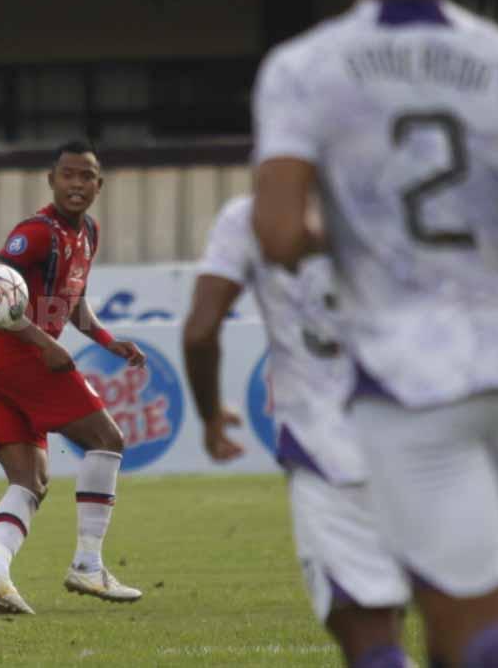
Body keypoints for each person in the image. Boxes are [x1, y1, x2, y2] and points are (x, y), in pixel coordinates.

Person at [252, 0, 498, 665]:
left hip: (409, 382)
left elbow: (280, 235)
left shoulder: (305, 67)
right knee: (456, 632)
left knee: (479, 634)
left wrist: (361, 229)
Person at [182, 195, 410, 666]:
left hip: (332, 449)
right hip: (434, 436)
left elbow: (199, 332)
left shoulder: (252, 215)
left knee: (369, 638)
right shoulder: (398, 195)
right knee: (464, 629)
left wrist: (209, 418)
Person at [0, 141, 145, 614]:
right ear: (51, 180)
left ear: (99, 185)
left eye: (86, 176)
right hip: (19, 355)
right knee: (107, 439)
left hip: (1, 367)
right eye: (68, 175)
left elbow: (72, 303)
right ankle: (88, 564)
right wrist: (45, 343)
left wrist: (108, 341)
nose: (76, 184)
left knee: (30, 480)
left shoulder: (88, 231)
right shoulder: (36, 233)